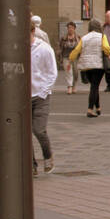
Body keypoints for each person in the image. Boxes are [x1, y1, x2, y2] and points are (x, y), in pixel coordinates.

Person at [30, 20, 58, 175]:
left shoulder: (45, 49)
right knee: (24, 133)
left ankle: (48, 156)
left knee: (39, 130)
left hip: (41, 96)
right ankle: (32, 165)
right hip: (23, 96)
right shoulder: (18, 49)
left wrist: (43, 91)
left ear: (33, 31)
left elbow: (52, 73)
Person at [69, 18, 110, 117]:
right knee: (94, 86)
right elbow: (106, 48)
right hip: (98, 65)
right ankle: (90, 109)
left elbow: (77, 50)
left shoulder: (84, 38)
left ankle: (98, 107)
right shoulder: (102, 36)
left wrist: (71, 59)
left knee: (94, 86)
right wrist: (108, 53)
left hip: (86, 65)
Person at [60, 21, 80, 94]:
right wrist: (60, 57)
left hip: (75, 58)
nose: (70, 29)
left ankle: (74, 86)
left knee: (75, 72)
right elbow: (60, 48)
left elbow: (80, 47)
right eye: (69, 28)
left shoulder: (78, 37)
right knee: (68, 72)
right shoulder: (64, 38)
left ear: (74, 29)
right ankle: (69, 86)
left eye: (72, 28)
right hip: (66, 57)